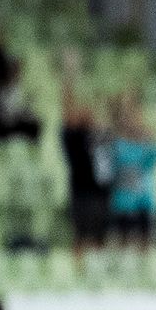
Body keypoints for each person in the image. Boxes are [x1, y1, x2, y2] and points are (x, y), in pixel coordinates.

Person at [108, 97, 156, 248]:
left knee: (145, 242)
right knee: (122, 243)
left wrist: (152, 138)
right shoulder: (115, 144)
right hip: (122, 203)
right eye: (127, 119)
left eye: (134, 119)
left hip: (145, 201)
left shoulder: (148, 144)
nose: (132, 123)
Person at [60, 89, 110, 252]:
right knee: (80, 236)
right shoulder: (71, 136)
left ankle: (97, 270)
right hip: (81, 191)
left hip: (100, 191)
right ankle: (79, 272)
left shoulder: (99, 135)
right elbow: (67, 112)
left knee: (99, 237)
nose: (87, 113)